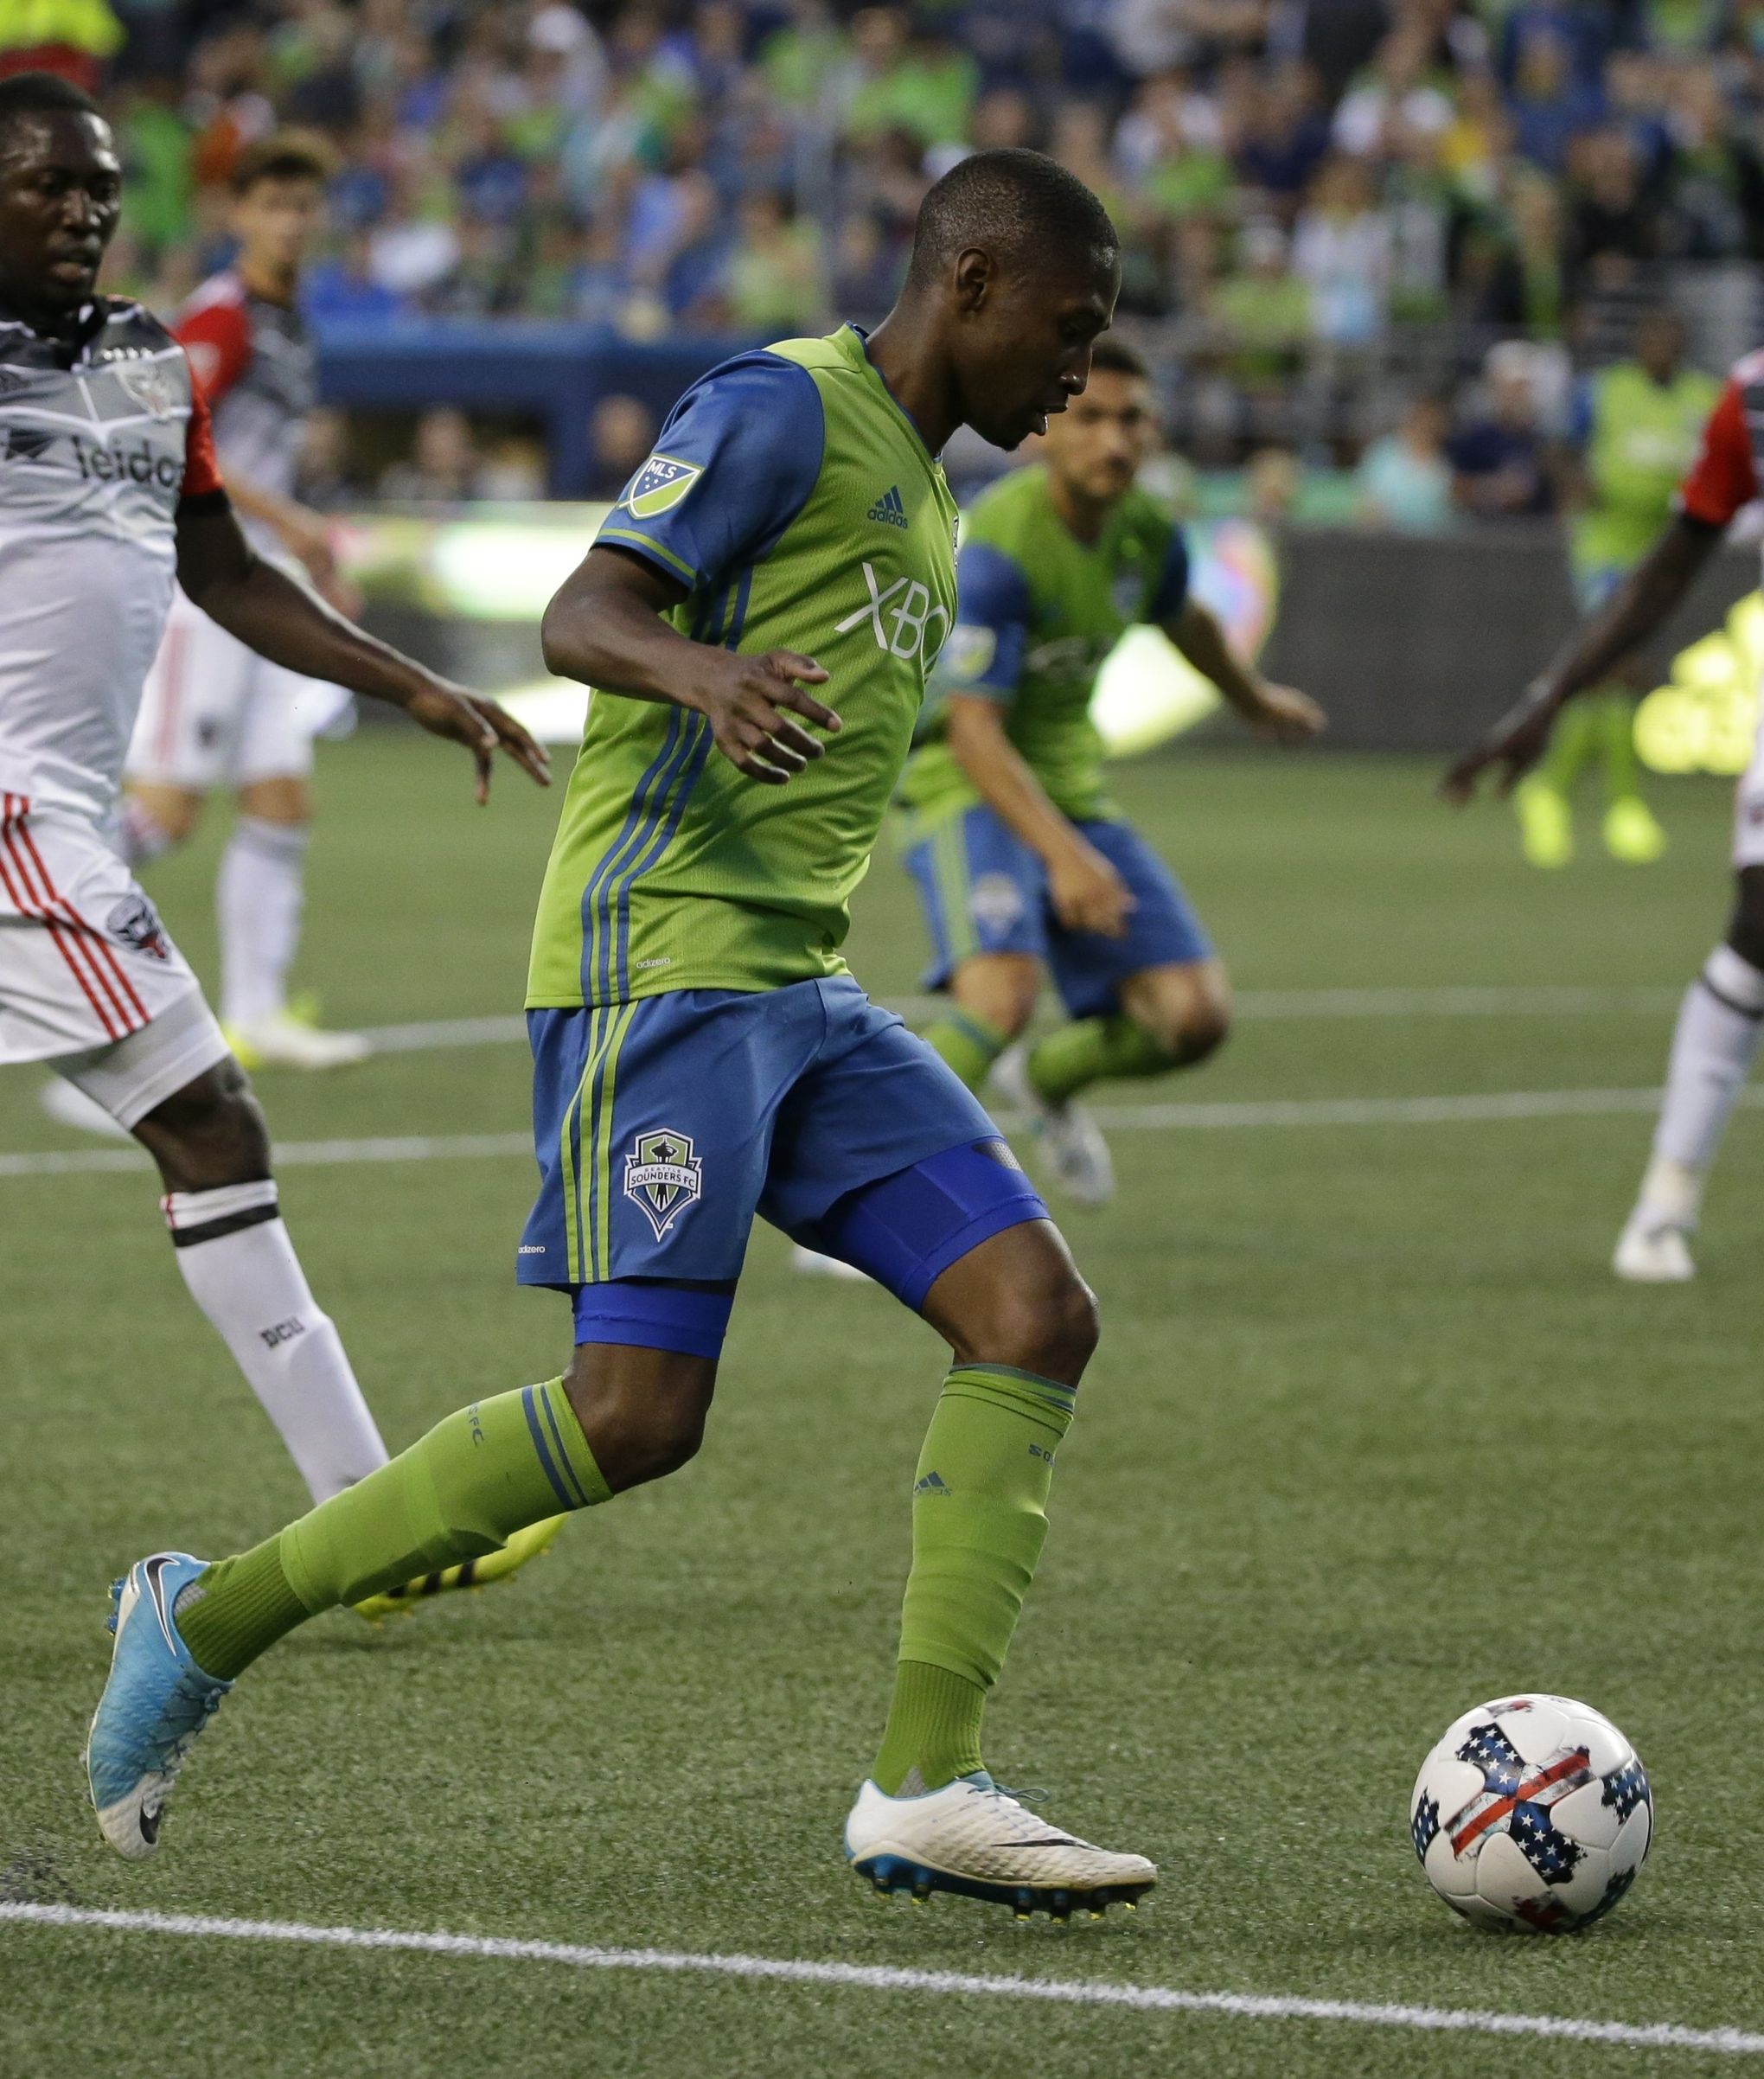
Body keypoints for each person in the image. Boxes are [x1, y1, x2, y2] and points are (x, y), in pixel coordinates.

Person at [88, 145, 1159, 1920]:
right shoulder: (783, 410)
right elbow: (582, 610)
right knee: (636, 1414)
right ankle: (199, 1617)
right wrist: (706, 673)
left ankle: (924, 1781)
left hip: (797, 988)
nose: (1082, 364)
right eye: (1072, 324)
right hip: (655, 970)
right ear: (971, 283)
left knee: (1036, 1309)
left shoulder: (929, 481)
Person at [0, 77, 558, 1597]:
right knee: (214, 1125)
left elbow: (223, 568)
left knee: (212, 1132)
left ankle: (369, 1521)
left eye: (99, 187)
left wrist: (418, 686)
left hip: (59, 818)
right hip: (14, 824)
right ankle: (372, 1521)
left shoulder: (145, 361)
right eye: (47, 184)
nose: (82, 209)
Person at [891, 338, 1324, 1209]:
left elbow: (1187, 618)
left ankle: (1044, 1080)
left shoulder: (1144, 533)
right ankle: (865, 1187)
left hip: (1069, 793)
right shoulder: (1002, 547)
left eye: (1132, 420)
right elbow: (974, 731)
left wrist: (1253, 697)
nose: (1114, 441)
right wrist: (1066, 860)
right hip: (962, 781)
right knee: (1000, 998)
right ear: (1048, 429)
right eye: (1090, 418)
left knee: (1192, 1019)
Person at [1442, 342, 1764, 1284]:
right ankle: (1665, 1204)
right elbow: (1668, 570)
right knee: (1757, 928)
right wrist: (1546, 700)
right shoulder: (1748, 398)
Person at [120, 132, 374, 1074]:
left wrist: (307, 557)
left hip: (264, 585)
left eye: (304, 206)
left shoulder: (291, 320)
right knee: (165, 814)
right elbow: (165, 427)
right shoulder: (221, 316)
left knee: (278, 797)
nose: (291, 221)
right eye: (273, 204)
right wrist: (296, 525)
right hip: (206, 585)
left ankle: (257, 1013)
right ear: (239, 215)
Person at [1511, 308, 1717, 869]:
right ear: (1638, 346)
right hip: (1605, 547)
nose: (1662, 349)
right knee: (1616, 665)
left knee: (1619, 675)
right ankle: (1623, 805)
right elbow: (1555, 446)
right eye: (1653, 339)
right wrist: (1578, 483)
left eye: (1672, 339)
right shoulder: (1602, 393)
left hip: (1666, 552)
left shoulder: (1702, 397)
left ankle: (1551, 789)